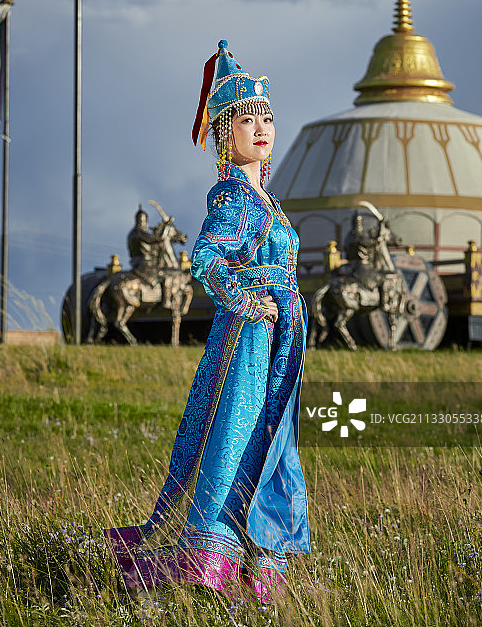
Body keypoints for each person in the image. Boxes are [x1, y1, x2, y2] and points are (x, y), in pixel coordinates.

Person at [104, 39, 311, 604]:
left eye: (267, 116)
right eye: (248, 118)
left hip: (277, 343)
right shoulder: (232, 195)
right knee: (233, 440)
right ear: (225, 133)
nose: (262, 127)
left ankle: (251, 566)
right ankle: (199, 560)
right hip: (247, 341)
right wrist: (246, 302)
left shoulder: (265, 200)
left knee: (266, 445)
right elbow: (208, 259)